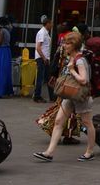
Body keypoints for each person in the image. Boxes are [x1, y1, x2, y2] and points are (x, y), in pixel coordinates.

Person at [33, 31, 96, 163]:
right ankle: (49, 152)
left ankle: (89, 152)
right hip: (70, 95)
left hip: (81, 96)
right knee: (58, 121)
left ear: (73, 45)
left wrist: (72, 70)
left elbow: (84, 80)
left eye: (67, 43)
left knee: (87, 123)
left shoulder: (79, 60)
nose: (64, 45)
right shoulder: (71, 58)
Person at [33, 16, 54, 103]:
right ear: (47, 23)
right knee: (41, 77)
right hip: (42, 58)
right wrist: (44, 58)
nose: (52, 25)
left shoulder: (46, 33)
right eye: (51, 23)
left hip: (45, 58)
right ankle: (37, 96)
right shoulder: (42, 33)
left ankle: (52, 96)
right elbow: (38, 47)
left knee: (48, 77)